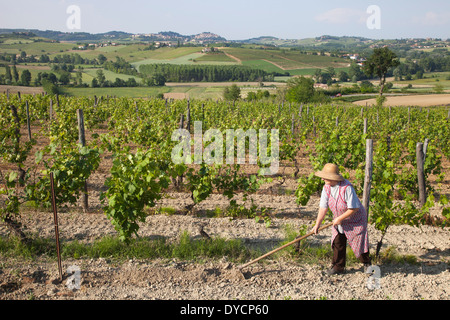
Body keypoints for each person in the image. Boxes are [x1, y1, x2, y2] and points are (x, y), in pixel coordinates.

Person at [311, 163, 371, 275]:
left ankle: (367, 264)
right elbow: (323, 208)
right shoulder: (326, 188)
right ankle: (338, 267)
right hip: (339, 219)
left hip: (355, 220)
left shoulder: (347, 188)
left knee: (359, 242)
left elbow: (353, 208)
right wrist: (317, 224)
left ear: (333, 178)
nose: (323, 178)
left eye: (325, 176)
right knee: (338, 242)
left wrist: (340, 218)